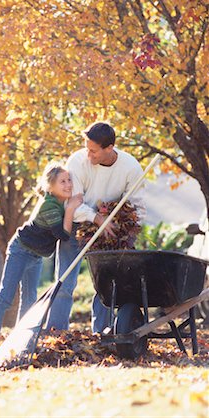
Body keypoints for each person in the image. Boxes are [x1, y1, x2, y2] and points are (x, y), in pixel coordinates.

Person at [45, 122, 146, 334]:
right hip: (75, 225)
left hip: (109, 232)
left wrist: (124, 231)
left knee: (106, 286)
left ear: (109, 148)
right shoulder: (78, 161)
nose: (88, 154)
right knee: (65, 282)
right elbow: (72, 203)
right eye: (86, 147)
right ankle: (55, 333)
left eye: (93, 150)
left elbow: (137, 206)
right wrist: (97, 218)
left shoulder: (130, 167)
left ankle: (102, 333)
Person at [0, 162, 83, 338]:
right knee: (5, 296)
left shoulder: (60, 203)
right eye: (62, 182)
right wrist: (71, 208)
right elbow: (62, 235)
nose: (68, 185)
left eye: (69, 180)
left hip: (36, 256)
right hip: (21, 251)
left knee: (29, 299)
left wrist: (70, 207)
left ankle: (22, 337)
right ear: (50, 186)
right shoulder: (49, 205)